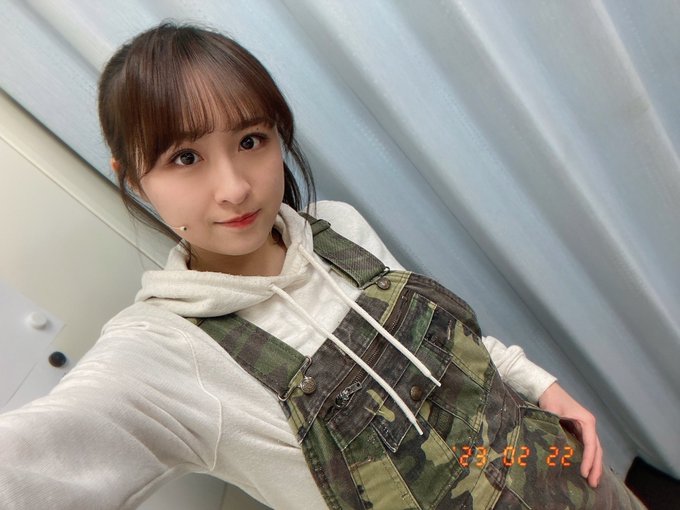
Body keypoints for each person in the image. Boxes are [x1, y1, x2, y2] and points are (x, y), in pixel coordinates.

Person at [0, 22, 645, 510]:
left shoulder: (341, 228)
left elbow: (458, 352)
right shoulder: (162, 353)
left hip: (565, 470)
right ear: (134, 178)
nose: (235, 188)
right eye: (185, 158)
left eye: (251, 141)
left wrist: (541, 385)